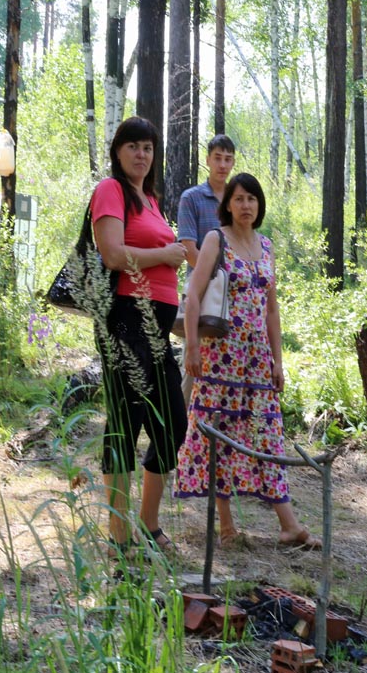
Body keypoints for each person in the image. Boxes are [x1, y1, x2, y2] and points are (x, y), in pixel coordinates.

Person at [174, 173, 321, 550]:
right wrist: (192, 346)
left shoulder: (267, 247)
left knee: (267, 435)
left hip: (257, 361)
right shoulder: (215, 239)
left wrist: (278, 360)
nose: (245, 206)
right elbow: (193, 296)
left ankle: (288, 525)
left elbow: (272, 310)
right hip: (220, 356)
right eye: (238, 199)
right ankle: (226, 527)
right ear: (228, 204)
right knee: (217, 434)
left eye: (251, 199)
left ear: (259, 205)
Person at [91, 116, 188, 557]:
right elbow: (112, 254)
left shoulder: (149, 199)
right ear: (118, 151)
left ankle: (147, 525)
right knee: (125, 426)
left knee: (172, 424)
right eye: (133, 146)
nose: (141, 154)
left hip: (158, 328)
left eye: (147, 147)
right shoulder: (110, 191)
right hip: (127, 321)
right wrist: (167, 254)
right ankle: (119, 536)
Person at [177, 134, 236, 269]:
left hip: (237, 284)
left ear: (233, 163)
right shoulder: (191, 198)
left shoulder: (237, 199)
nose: (222, 165)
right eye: (217, 158)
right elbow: (189, 252)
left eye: (227, 159)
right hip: (202, 286)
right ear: (208, 160)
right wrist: (220, 278)